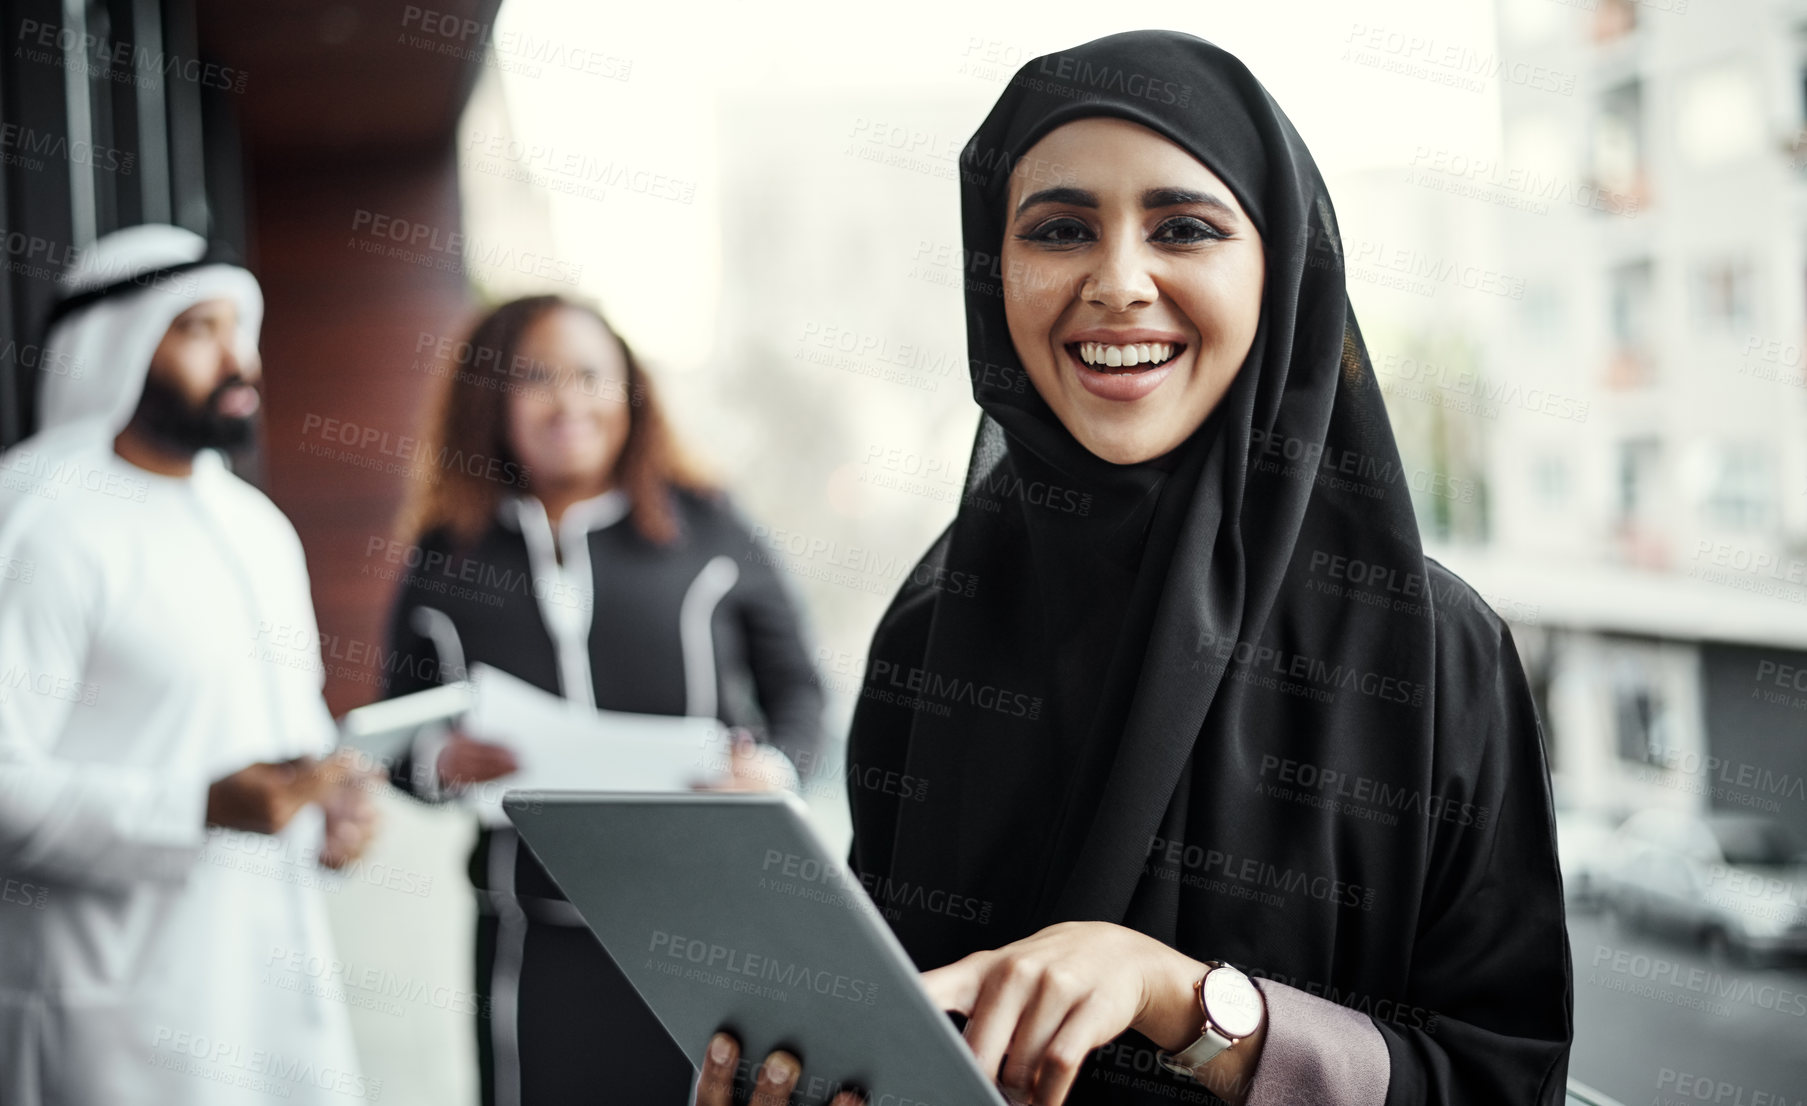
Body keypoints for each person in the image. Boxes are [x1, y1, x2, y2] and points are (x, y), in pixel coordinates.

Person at [694, 30, 1572, 1106]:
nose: (1116, 282)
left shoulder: (1426, 646)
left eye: (1185, 228)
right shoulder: (936, 628)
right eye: (1059, 229)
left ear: (1281, 266)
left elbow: (1500, 1081)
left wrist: (1185, 1000)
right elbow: (902, 1027)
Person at [380, 293, 828, 1106]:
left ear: (631, 390)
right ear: (491, 399)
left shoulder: (709, 528)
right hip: (529, 938)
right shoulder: (448, 554)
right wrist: (436, 761)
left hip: (704, 929)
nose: (569, 401)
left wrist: (769, 771)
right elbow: (395, 734)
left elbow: (800, 692)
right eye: (536, 378)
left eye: (591, 375)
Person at [0, 224, 379, 1104]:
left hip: (274, 1008)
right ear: (118, 345)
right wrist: (197, 807)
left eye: (241, 330)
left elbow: (289, 729)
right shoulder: (39, 524)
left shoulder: (256, 526)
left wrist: (333, 812)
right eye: (199, 330)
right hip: (113, 1024)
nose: (238, 360)